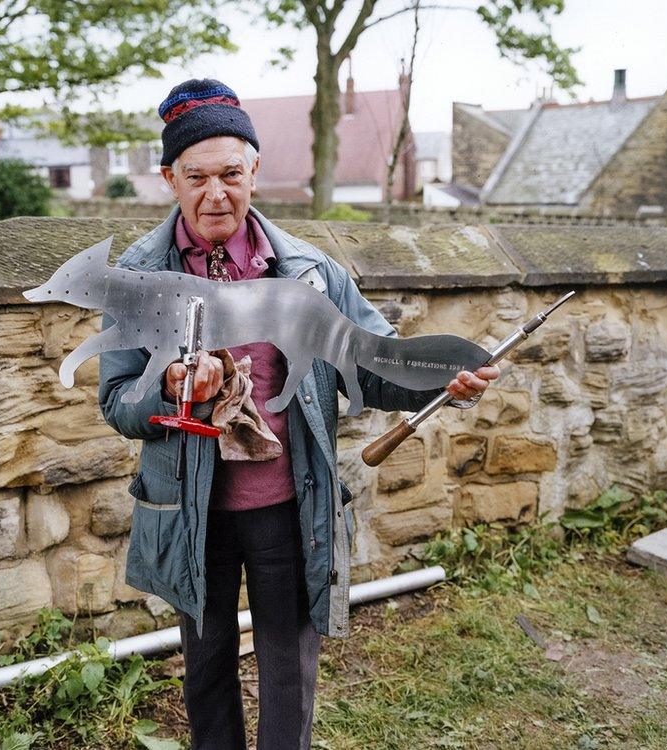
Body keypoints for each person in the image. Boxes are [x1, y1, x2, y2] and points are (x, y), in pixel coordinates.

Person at [97, 79, 499, 750]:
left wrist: (441, 380)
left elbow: (369, 364)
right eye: (197, 177)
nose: (215, 193)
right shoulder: (139, 276)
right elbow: (117, 404)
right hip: (191, 517)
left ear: (256, 169)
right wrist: (168, 387)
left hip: (290, 504)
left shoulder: (310, 271)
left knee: (290, 669)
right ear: (170, 178)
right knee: (205, 668)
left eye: (231, 173)